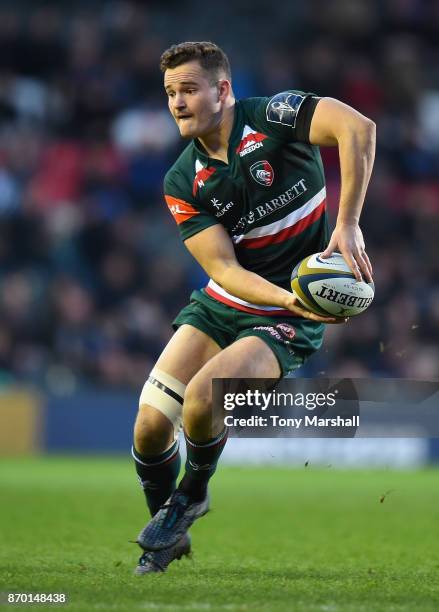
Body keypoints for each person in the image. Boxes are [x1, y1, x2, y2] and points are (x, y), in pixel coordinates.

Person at [132, 41, 375, 574]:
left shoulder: (274, 116)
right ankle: (169, 528)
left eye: (189, 89)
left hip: (288, 318)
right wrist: (290, 295)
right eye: (170, 92)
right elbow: (224, 271)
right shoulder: (182, 179)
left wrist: (348, 221)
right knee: (149, 428)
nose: (176, 102)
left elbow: (358, 127)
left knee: (203, 400)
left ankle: (191, 495)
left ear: (222, 90)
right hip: (235, 300)